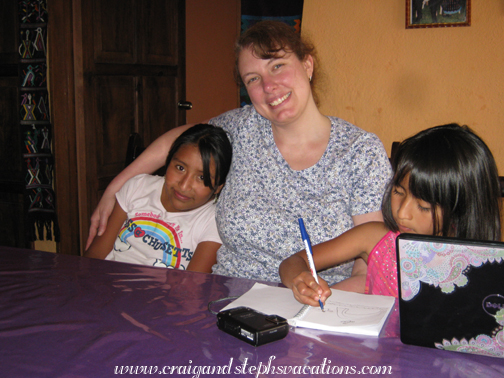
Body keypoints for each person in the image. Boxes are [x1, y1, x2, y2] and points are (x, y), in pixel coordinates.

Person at [86, 21, 392, 286]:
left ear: (307, 66)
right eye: (253, 79)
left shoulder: (359, 153)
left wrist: (313, 308)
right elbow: (177, 142)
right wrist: (115, 188)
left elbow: (368, 266)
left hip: (319, 306)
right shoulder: (241, 129)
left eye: (277, 66)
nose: (269, 86)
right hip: (226, 300)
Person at [279, 124, 502, 306]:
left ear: (462, 209)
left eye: (423, 206)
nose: (402, 214)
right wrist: (301, 280)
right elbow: (293, 261)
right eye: (398, 192)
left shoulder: (486, 266)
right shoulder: (375, 238)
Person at [84, 124, 232, 273]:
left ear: (218, 186)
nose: (184, 185)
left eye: (202, 177)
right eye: (180, 168)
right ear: (168, 161)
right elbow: (95, 256)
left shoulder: (214, 221)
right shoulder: (137, 186)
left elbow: (192, 285)